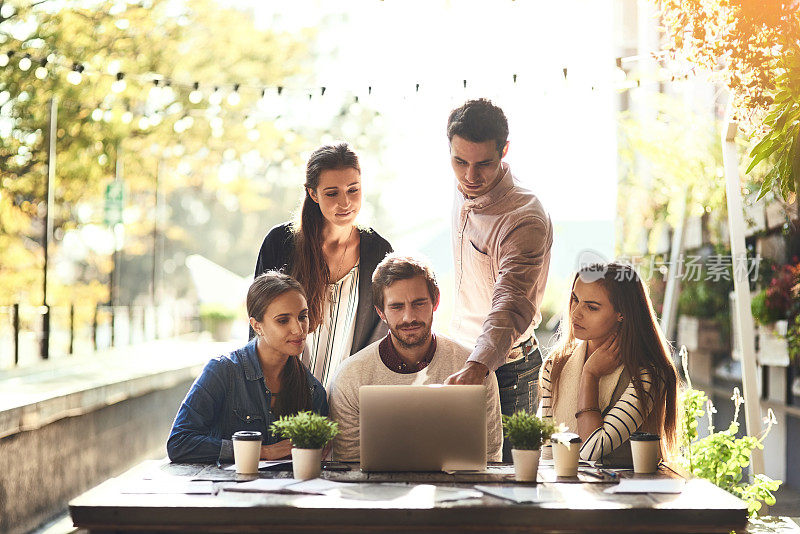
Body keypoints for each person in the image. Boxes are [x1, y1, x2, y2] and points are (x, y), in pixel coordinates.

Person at [442, 98, 553, 460]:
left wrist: (477, 367)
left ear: (504, 151)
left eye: (484, 164)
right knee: (457, 473)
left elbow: (509, 304)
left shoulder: (524, 218)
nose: (470, 177)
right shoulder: (461, 191)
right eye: (460, 162)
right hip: (464, 358)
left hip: (509, 372)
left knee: (506, 484)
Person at [328, 254, 502, 462]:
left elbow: (490, 458)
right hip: (378, 493)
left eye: (418, 303)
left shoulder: (473, 371)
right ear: (380, 312)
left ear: (435, 301)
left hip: (457, 490)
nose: (409, 317)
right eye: (397, 306)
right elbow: (349, 465)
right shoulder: (350, 377)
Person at [254, 142, 393, 389]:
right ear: (313, 193)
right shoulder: (280, 243)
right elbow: (259, 326)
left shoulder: (379, 252)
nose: (345, 202)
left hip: (349, 399)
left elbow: (380, 338)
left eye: (353, 190)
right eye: (332, 193)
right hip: (282, 396)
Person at [167, 272, 327, 463]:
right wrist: (263, 451)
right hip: (226, 490)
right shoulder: (222, 371)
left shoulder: (313, 390)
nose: (299, 329)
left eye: (303, 316)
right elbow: (179, 442)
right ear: (256, 325)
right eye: (283, 320)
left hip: (289, 491)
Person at [538, 263, 679, 463]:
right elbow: (548, 453)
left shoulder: (647, 374)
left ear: (622, 313)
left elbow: (591, 450)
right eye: (575, 300)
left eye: (591, 307)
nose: (575, 313)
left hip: (631, 491)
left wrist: (590, 376)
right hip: (565, 488)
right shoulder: (555, 365)